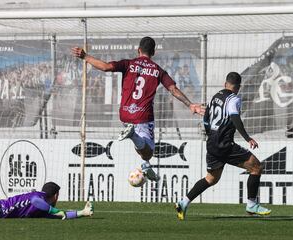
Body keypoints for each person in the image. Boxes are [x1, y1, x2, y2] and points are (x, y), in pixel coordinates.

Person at [72, 37, 204, 181]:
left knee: (143, 151)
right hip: (142, 116)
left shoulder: (128, 64)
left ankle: (145, 165)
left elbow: (105, 67)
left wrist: (85, 56)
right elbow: (173, 89)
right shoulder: (158, 71)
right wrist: (190, 104)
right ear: (153, 52)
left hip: (125, 113)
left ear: (138, 50)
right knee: (148, 152)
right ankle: (135, 139)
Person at [175, 72, 271, 220]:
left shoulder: (215, 97)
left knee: (211, 179)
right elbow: (235, 117)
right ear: (238, 87)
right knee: (256, 167)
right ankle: (252, 204)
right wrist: (247, 138)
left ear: (225, 84)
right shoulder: (234, 99)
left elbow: (206, 117)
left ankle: (183, 202)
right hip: (224, 144)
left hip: (212, 142)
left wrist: (210, 134)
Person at [0, 182, 93, 219]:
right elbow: (35, 200)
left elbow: (62, 215)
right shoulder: (39, 196)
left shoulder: (44, 210)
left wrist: (82, 212)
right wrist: (55, 211)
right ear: (56, 195)